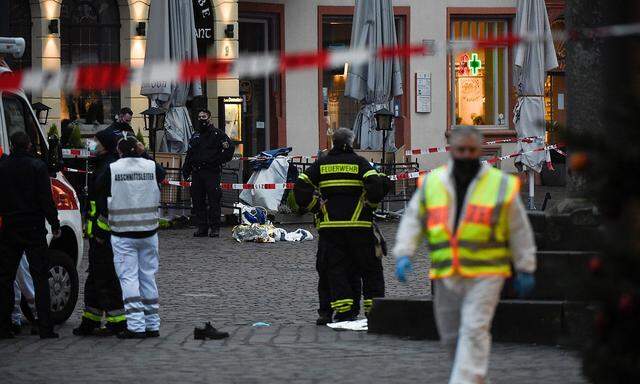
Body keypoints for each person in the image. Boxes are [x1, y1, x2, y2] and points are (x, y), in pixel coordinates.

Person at [394, 126, 537, 384]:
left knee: (474, 330)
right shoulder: (433, 182)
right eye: (461, 150)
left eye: (472, 150)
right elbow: (414, 219)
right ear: (452, 150)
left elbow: (519, 229)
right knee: (450, 337)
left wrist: (525, 266)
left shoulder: (500, 184)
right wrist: (405, 252)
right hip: (446, 272)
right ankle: (474, 378)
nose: (466, 155)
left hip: (487, 273)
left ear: (479, 150)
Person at [293, 128, 390, 322]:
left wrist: (316, 207)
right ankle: (375, 311)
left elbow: (301, 186)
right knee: (369, 269)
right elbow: (377, 185)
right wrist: (369, 206)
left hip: (331, 228)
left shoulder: (322, 163)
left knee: (336, 269)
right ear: (352, 142)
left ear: (333, 143)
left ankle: (344, 311)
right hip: (359, 227)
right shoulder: (361, 163)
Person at [95, 135, 166, 339]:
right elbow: (161, 175)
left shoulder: (113, 169)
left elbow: (98, 191)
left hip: (123, 233)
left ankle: (135, 326)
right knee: (148, 277)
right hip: (149, 232)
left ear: (119, 151)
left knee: (128, 278)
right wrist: (143, 153)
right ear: (138, 148)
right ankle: (152, 324)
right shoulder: (150, 166)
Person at [0, 132, 61, 339]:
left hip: (10, 227)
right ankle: (45, 327)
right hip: (34, 227)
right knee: (40, 277)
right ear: (28, 146)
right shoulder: (37, 166)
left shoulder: (3, 166)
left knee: (6, 278)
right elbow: (46, 198)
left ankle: (5, 325)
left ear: (12, 145)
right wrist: (55, 223)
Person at [73, 128, 127, 336]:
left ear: (104, 145)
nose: (92, 144)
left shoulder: (109, 168)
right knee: (95, 277)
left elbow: (106, 205)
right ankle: (91, 319)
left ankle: (117, 321)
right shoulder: (104, 165)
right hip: (98, 233)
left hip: (104, 235)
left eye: (96, 141)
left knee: (106, 278)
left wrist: (100, 232)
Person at [182, 109, 235, 238]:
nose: (201, 119)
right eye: (199, 117)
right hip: (197, 173)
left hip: (211, 172)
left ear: (209, 118)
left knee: (214, 201)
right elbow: (190, 154)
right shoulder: (196, 135)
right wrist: (186, 169)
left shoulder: (218, 134)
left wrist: (219, 161)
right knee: (198, 201)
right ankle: (202, 228)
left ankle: (215, 228)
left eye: (204, 117)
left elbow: (229, 149)